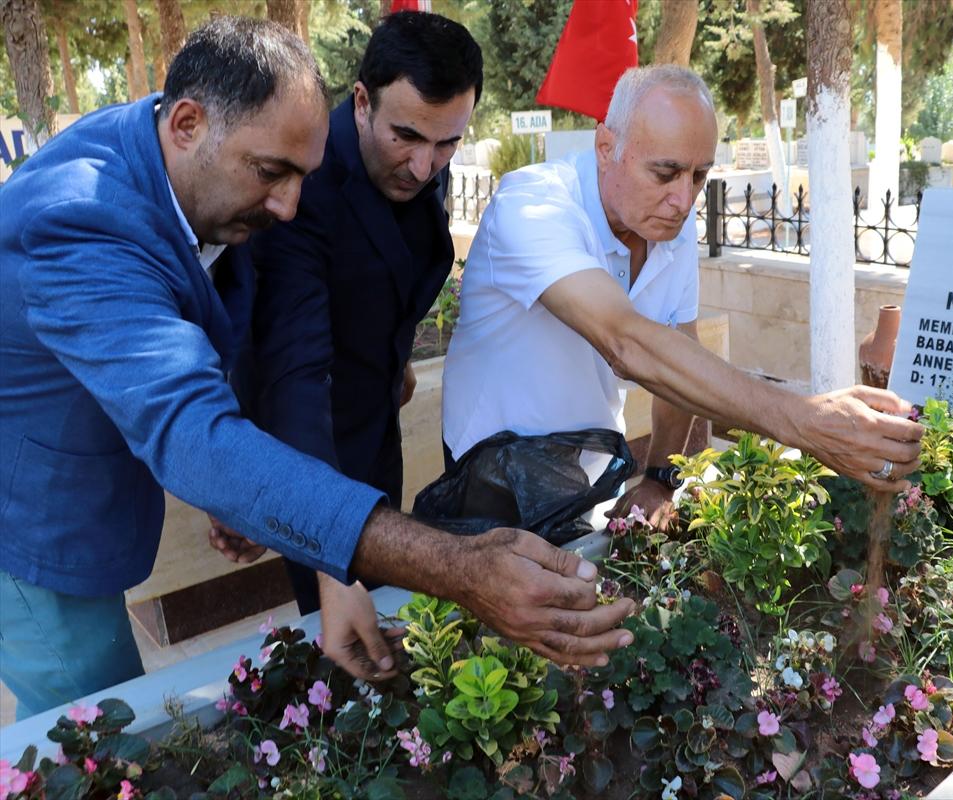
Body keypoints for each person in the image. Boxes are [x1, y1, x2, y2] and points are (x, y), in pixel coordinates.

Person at [0, 17, 632, 719]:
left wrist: (242, 483)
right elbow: (194, 429)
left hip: (106, 461)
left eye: (303, 176)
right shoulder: (81, 220)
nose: (290, 207)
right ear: (186, 122)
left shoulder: (184, 147)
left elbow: (223, 344)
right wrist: (455, 567)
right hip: (30, 515)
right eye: (271, 173)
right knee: (97, 732)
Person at [435, 64, 924, 533]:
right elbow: (627, 343)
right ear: (606, 147)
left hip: (585, 475)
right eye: (665, 173)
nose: (684, 198)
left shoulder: (669, 220)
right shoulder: (532, 206)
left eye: (699, 175)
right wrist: (804, 420)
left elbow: (679, 348)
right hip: (490, 482)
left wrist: (661, 476)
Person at [218, 11, 480, 617]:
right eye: (408, 137)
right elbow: (293, 376)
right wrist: (326, 548)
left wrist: (393, 355)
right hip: (311, 450)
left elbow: (397, 267)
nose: (425, 167)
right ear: (362, 101)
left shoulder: (421, 160)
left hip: (378, 421)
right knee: (349, 637)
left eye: (448, 143)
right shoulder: (302, 185)